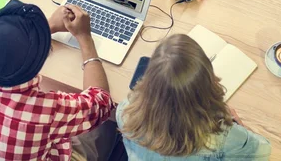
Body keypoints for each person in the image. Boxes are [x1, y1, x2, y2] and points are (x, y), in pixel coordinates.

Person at [0, 0, 119, 160]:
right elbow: (101, 101)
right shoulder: (43, 113)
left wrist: (47, 28)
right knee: (106, 125)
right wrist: (84, 37)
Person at [116, 34, 272, 160]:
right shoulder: (221, 137)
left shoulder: (125, 111)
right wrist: (241, 126)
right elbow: (263, 151)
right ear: (208, 83)